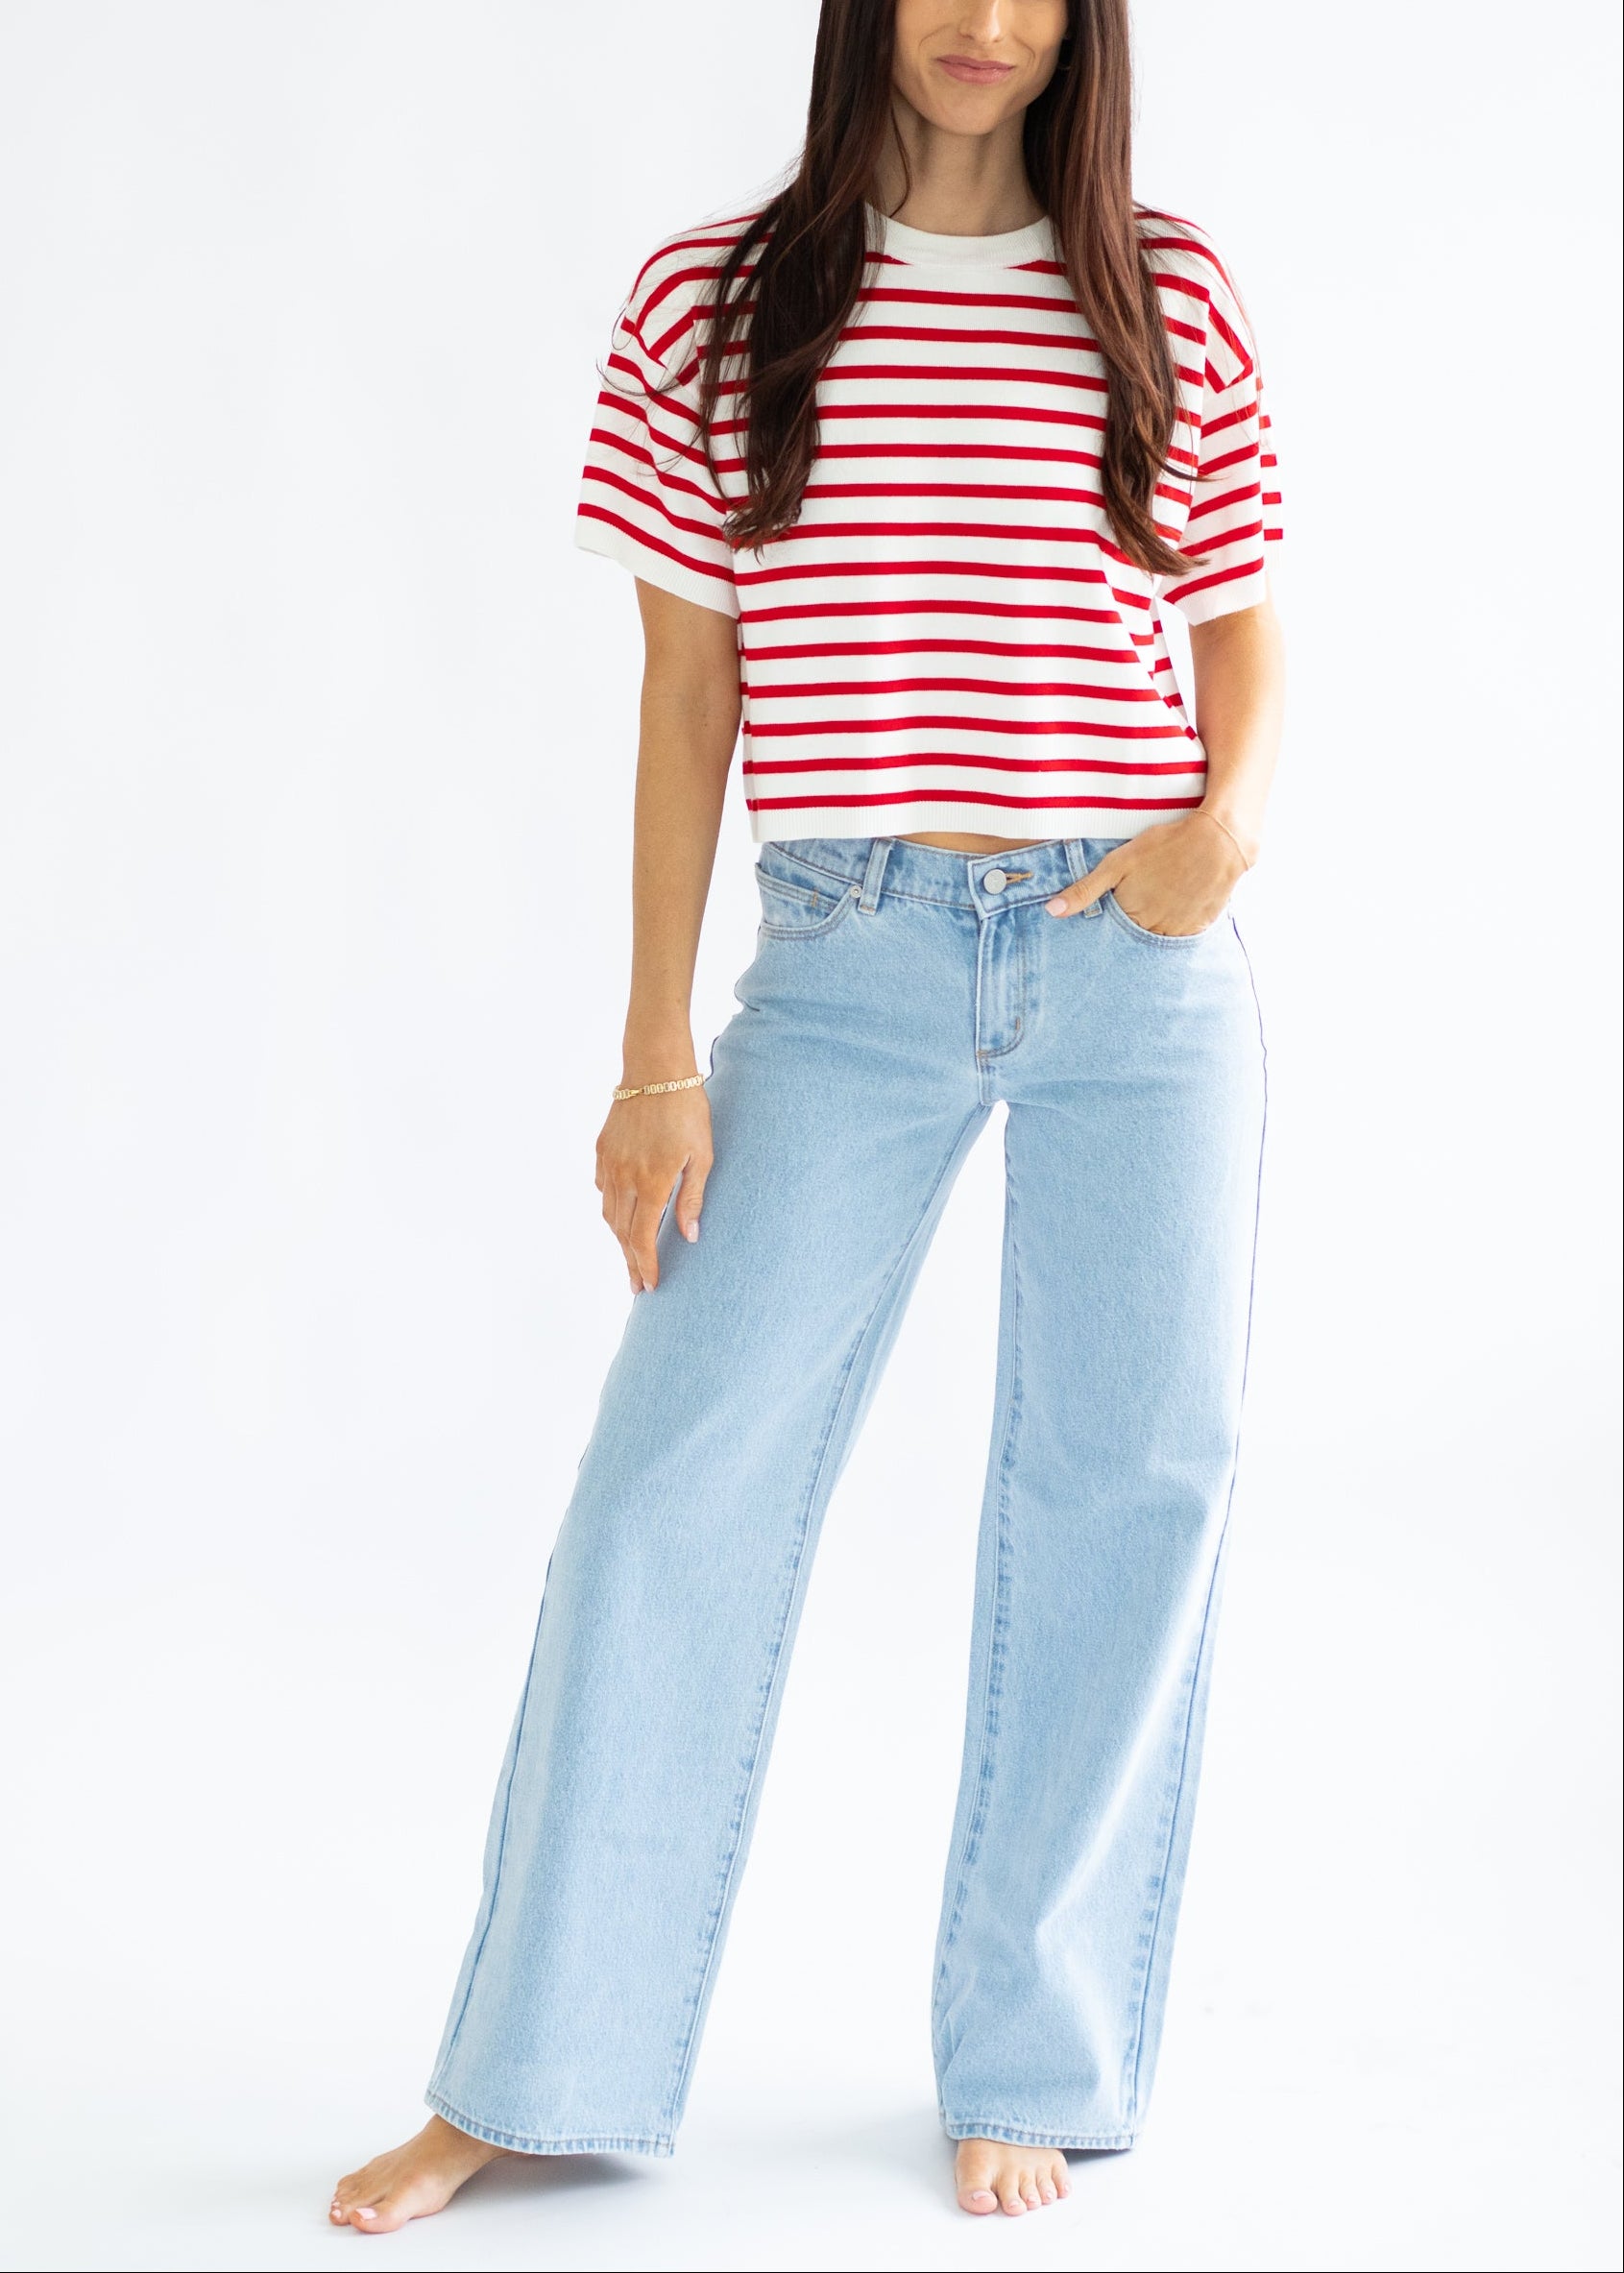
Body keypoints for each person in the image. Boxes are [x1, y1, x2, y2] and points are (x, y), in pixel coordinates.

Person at [329, 0, 1284, 2230]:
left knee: (1127, 1479)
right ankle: (534, 2065)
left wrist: (1216, 836)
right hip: (842, 962)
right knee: (675, 1490)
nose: (983, 23)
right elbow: (686, 699)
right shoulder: (721, 298)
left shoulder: (1172, 285)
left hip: (1136, 953)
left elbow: (1242, 622)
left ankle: (1036, 2051)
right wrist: (653, 1051)